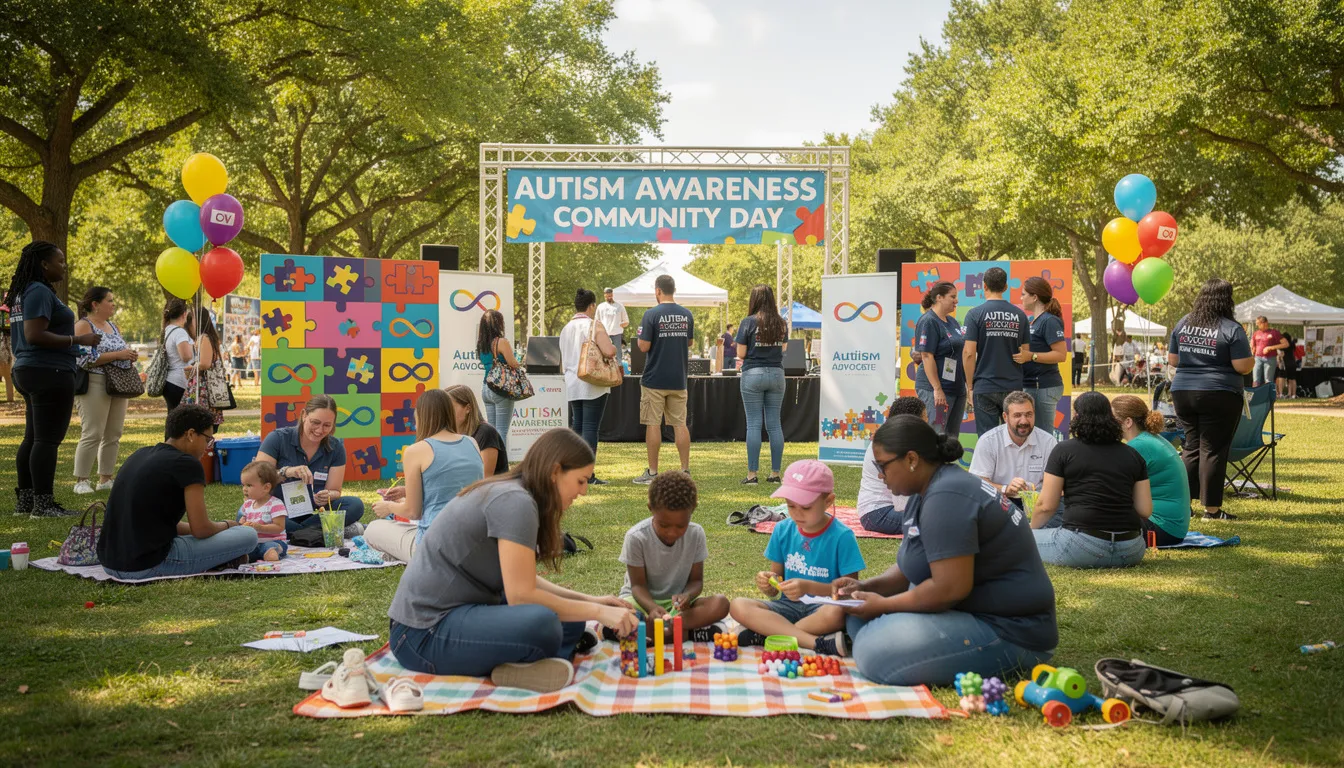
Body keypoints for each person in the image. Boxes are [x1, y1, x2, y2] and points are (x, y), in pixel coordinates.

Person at [387, 428, 639, 693]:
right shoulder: (516, 502)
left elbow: (524, 580)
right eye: (581, 481)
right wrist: (598, 613)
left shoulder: (517, 495)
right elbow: (521, 594)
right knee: (545, 623)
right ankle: (535, 658)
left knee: (572, 619)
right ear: (555, 472)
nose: (584, 491)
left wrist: (591, 601)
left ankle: (523, 664)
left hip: (460, 613)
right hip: (421, 633)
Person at [836, 415, 1057, 686]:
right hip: (969, 613)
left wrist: (883, 605)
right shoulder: (926, 490)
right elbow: (910, 568)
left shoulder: (947, 496)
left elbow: (949, 589)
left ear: (912, 459)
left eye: (882, 466)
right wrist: (867, 587)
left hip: (1011, 631)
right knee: (857, 618)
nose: (880, 475)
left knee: (872, 653)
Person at [96, 405, 258, 578]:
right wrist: (227, 525)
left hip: (109, 562)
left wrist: (218, 531)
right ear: (190, 434)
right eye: (207, 440)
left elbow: (158, 523)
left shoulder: (139, 454)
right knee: (248, 535)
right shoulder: (187, 464)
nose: (207, 447)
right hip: (149, 564)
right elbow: (201, 529)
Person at [728, 460, 864, 655]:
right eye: (790, 506)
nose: (797, 513)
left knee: (838, 612)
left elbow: (850, 592)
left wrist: (809, 587)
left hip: (823, 609)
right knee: (738, 605)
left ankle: (770, 633)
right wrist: (769, 583)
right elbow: (776, 585)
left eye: (806, 507)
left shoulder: (842, 536)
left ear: (828, 501)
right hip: (787, 607)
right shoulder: (782, 530)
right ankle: (815, 642)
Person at [6, 241, 101, 518]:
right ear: (44, 264)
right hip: (48, 371)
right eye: (59, 261)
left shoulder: (25, 291)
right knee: (46, 440)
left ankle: (26, 502)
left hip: (30, 369)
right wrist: (78, 339)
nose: (64, 265)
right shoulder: (38, 291)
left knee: (33, 437)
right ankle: (43, 504)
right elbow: (35, 335)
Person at [1029, 392, 1153, 568]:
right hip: (1131, 549)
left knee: (1020, 536)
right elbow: (1145, 510)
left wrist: (1031, 531)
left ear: (1077, 417)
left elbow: (1046, 506)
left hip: (1081, 546)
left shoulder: (1063, 451)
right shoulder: (1133, 455)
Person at [1168, 278, 1254, 521]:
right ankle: (1212, 510)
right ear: (1227, 300)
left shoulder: (1183, 323)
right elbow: (1242, 366)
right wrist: (1252, 360)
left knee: (1191, 447)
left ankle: (1184, 506)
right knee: (1213, 449)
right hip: (1219, 392)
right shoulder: (1231, 328)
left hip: (1183, 391)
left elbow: (1173, 360)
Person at [366, 389, 483, 563]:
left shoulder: (415, 451)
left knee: (372, 529)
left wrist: (388, 507)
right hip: (474, 543)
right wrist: (406, 494)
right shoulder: (471, 442)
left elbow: (413, 512)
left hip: (435, 548)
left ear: (421, 415)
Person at [619, 472, 730, 641]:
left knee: (721, 603)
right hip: (641, 602)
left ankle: (664, 631)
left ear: (692, 511)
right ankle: (684, 633)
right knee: (622, 613)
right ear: (650, 508)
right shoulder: (636, 537)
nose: (672, 532)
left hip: (677, 609)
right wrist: (652, 608)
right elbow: (637, 586)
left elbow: (696, 581)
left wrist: (687, 595)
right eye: (664, 525)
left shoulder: (696, 534)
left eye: (681, 526)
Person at [254, 394, 366, 539]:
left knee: (355, 505)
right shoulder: (277, 438)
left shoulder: (336, 447)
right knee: (252, 515)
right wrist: (287, 471)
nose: (319, 430)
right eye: (315, 422)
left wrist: (327, 495)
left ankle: (298, 533)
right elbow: (257, 479)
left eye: (327, 425)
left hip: (311, 513)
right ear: (304, 415)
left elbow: (335, 491)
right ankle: (325, 531)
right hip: (277, 511)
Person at [72, 286, 137, 495]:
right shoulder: (83, 325)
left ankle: (105, 478)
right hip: (94, 382)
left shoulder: (113, 326)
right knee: (93, 432)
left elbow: (120, 351)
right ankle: (82, 480)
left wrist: (128, 355)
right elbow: (84, 359)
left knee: (114, 433)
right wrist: (118, 355)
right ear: (95, 304)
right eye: (109, 300)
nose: (113, 304)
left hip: (117, 384)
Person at [633, 274, 694, 484]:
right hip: (678, 378)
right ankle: (685, 470)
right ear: (673, 290)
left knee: (653, 424)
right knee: (680, 424)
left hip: (654, 379)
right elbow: (689, 342)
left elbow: (643, 346)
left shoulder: (650, 314)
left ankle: (652, 472)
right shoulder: (686, 314)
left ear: (658, 291)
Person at [969, 391, 1060, 527]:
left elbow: (1056, 486)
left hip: (1039, 504)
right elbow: (978, 483)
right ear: (1005, 417)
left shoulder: (1048, 442)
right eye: (1017, 415)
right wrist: (1005, 489)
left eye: (1028, 414)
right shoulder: (988, 441)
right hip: (999, 502)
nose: (1024, 421)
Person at [1112, 395, 1189, 547]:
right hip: (1171, 527)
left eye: (1111, 419)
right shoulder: (1149, 439)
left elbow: (1114, 487)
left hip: (1161, 527)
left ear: (1128, 422)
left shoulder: (1139, 445)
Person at [559, 288, 617, 484]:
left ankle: (573, 470)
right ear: (592, 306)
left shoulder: (566, 328)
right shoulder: (594, 325)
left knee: (577, 425)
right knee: (591, 427)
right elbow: (609, 351)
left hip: (573, 382)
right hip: (593, 382)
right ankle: (588, 474)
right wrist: (614, 346)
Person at [962, 267, 1029, 436]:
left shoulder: (974, 314)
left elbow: (969, 353)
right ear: (1006, 287)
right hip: (1013, 385)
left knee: (987, 439)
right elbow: (1025, 353)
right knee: (1013, 437)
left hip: (984, 385)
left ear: (984, 286)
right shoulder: (1020, 315)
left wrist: (970, 386)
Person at [736, 284, 788, 484]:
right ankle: (775, 473)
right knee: (774, 424)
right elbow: (783, 348)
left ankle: (752, 474)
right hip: (776, 374)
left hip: (753, 374)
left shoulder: (748, 322)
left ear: (754, 300)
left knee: (754, 424)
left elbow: (741, 353)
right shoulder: (781, 323)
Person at [858, 396, 926, 535]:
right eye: (924, 417)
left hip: (888, 509)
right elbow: (902, 497)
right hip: (877, 513)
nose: (927, 422)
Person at [912, 281, 967, 437]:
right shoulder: (928, 321)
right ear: (939, 297)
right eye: (952, 297)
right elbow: (926, 355)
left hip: (956, 389)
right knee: (937, 435)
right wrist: (937, 389)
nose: (956, 300)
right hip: (936, 390)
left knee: (952, 438)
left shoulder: (952, 322)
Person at [1014, 276, 1068, 433]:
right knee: (1033, 434)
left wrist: (1031, 356)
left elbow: (1061, 355)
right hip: (1032, 386)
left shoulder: (1049, 321)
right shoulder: (1034, 320)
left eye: (1023, 294)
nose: (1021, 298)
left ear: (1035, 297)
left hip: (1043, 386)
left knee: (1043, 434)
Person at [477, 309, 518, 446]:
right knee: (501, 431)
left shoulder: (481, 344)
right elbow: (513, 363)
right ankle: (501, 460)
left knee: (492, 431)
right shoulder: (501, 342)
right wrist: (520, 362)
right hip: (500, 387)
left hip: (486, 388)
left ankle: (491, 458)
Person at [236, 461, 289, 562]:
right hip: (254, 544)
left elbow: (279, 527)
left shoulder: (275, 504)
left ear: (266, 487)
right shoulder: (248, 504)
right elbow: (244, 522)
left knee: (270, 550)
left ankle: (271, 557)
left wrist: (260, 527)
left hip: (273, 541)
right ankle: (246, 557)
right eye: (243, 485)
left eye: (249, 485)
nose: (244, 489)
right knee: (240, 552)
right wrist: (242, 524)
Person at [190, 307, 225, 426]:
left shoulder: (204, 338)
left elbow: (205, 363)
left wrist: (192, 367)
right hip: (211, 387)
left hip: (206, 387)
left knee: (203, 422)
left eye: (192, 318)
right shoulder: (208, 337)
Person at [161, 298, 196, 411]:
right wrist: (193, 345)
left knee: (173, 416)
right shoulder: (180, 332)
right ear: (184, 314)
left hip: (171, 380)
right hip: (179, 382)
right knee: (181, 417)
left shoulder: (168, 330)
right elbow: (186, 356)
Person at [1251, 315, 1288, 388]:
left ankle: (1268, 394)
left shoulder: (1274, 332)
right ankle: (1256, 394)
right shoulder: (1256, 333)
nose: (1257, 325)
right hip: (1257, 358)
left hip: (1270, 358)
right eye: (1256, 324)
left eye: (1258, 324)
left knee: (1268, 380)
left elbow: (1286, 344)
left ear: (1265, 323)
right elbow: (1253, 345)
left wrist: (1270, 348)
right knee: (1255, 380)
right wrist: (1252, 350)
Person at [596, 287, 629, 353]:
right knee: (605, 353)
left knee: (617, 354)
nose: (609, 298)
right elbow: (596, 321)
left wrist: (621, 325)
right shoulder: (600, 307)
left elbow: (626, 321)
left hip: (617, 334)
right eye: (607, 296)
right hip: (604, 334)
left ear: (612, 295)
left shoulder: (620, 306)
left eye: (610, 296)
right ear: (604, 295)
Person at [1278, 332, 1299, 398]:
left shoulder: (1284, 345)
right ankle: (1293, 394)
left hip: (1285, 364)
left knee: (1282, 378)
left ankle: (1282, 394)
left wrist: (1279, 359)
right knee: (1292, 379)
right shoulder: (1292, 344)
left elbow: (1281, 354)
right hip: (1293, 363)